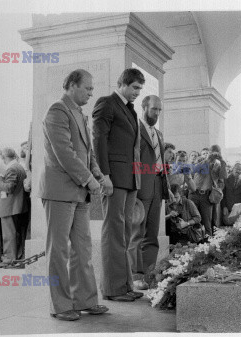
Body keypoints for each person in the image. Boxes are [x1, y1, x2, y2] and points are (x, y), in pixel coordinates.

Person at [38, 69, 109, 321]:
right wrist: (90, 180)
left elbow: (87, 153)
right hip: (59, 192)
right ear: (70, 85)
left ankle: (86, 300)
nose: (91, 93)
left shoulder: (79, 113)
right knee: (58, 251)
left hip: (79, 192)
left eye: (92, 89)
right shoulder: (57, 111)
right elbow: (64, 153)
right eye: (87, 88)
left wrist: (99, 176)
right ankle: (60, 305)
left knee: (83, 248)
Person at [92, 68, 144, 302]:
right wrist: (104, 175)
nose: (137, 93)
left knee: (124, 232)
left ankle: (125, 285)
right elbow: (98, 140)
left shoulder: (131, 110)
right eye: (134, 88)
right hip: (114, 178)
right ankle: (113, 289)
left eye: (140, 89)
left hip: (130, 178)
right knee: (113, 232)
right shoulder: (107, 103)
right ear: (122, 83)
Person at [129, 95, 170, 291]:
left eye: (160, 110)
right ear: (144, 107)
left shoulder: (159, 134)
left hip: (158, 186)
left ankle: (149, 274)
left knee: (152, 234)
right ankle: (136, 275)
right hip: (140, 186)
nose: (157, 113)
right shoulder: (134, 128)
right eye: (154, 109)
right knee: (137, 233)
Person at [0, 148, 28, 267]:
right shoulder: (18, 167)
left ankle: (9, 258)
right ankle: (14, 257)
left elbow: (9, 187)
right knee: (15, 233)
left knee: (8, 234)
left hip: (9, 207)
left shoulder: (12, 168)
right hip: (15, 206)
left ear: (4, 158)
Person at [189, 145, 226, 237]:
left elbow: (224, 177)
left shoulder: (218, 165)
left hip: (207, 196)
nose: (214, 154)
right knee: (193, 220)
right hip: (194, 194)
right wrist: (208, 160)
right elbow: (194, 170)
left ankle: (207, 245)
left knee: (207, 223)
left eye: (217, 152)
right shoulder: (200, 160)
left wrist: (222, 161)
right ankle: (193, 242)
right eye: (212, 152)